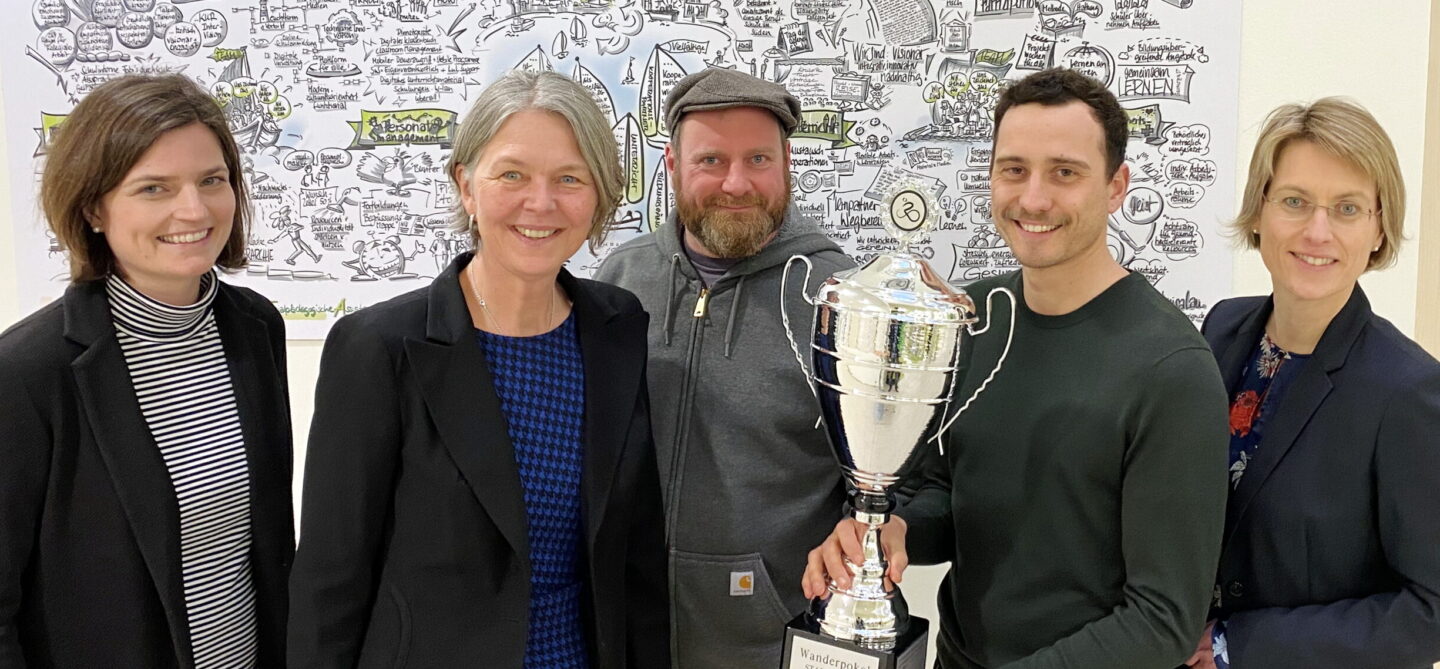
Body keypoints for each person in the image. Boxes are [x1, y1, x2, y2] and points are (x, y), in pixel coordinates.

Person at [803, 67, 1230, 668]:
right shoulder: (972, 322)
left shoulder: (1171, 368)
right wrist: (892, 530)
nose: (1033, 198)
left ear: (1115, 187)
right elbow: (951, 496)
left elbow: (1163, 618)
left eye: (1065, 172)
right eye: (1014, 169)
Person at [288, 70, 668, 668]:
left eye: (569, 178)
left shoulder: (616, 330)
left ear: (600, 195)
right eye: (511, 174)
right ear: (466, 185)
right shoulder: (377, 348)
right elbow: (331, 582)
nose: (540, 203)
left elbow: (637, 556)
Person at [0, 73, 293, 667]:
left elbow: (265, 544)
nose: (195, 208)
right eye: (154, 188)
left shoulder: (255, 327)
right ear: (93, 208)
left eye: (212, 180)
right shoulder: (29, 372)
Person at [594, 67, 856, 668]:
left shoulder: (838, 296)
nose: (736, 183)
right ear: (671, 165)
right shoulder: (619, 283)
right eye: (710, 160)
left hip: (772, 640)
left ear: (787, 163)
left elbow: (884, 487)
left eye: (758, 159)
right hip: (629, 634)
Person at [1187, 98, 1440, 669]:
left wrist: (1235, 646)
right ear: (1259, 212)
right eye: (1295, 202)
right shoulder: (1223, 327)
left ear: (1378, 229)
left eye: (1347, 208)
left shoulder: (1411, 392)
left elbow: (1430, 613)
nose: (1316, 231)